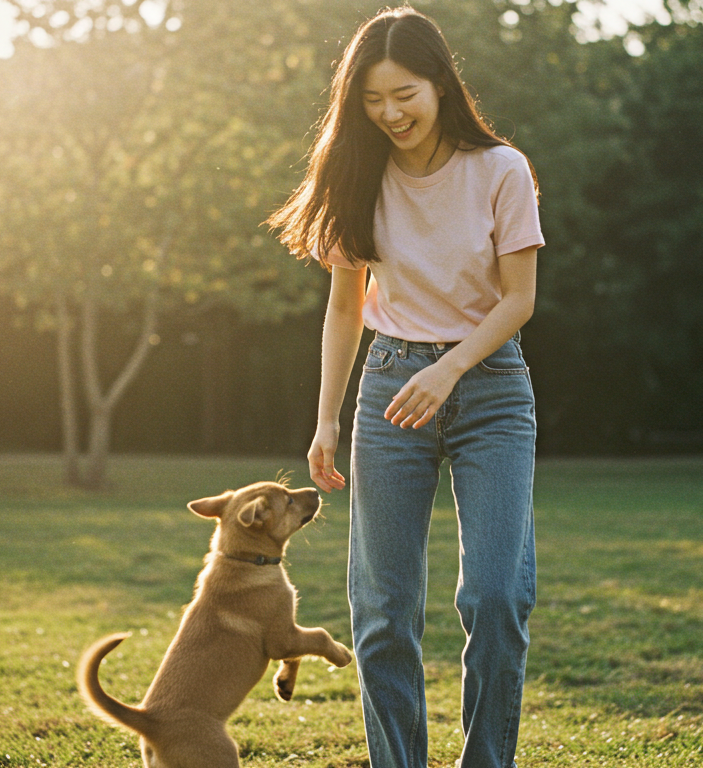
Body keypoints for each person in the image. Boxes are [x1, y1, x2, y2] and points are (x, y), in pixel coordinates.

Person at [266, 7, 542, 768]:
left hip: (490, 390)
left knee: (495, 598)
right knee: (383, 612)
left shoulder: (501, 171)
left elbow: (518, 300)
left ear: (441, 84)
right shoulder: (357, 173)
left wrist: (450, 367)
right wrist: (325, 420)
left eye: (404, 94)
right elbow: (345, 308)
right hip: (389, 389)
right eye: (372, 100)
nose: (390, 113)